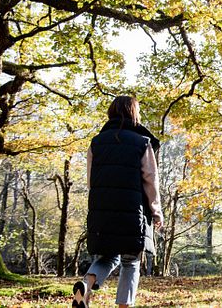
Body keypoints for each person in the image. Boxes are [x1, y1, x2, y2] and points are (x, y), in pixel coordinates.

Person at [72, 96, 163, 308]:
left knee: (107, 256)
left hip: (102, 209)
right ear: (134, 113)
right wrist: (156, 211)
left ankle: (86, 284)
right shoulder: (143, 142)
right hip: (132, 211)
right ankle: (124, 305)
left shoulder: (96, 142)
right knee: (130, 261)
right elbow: (151, 180)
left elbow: (90, 181)